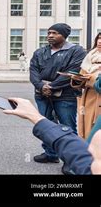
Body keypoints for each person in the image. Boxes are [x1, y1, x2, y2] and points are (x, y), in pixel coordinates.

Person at [29, 23, 86, 174]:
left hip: (65, 96)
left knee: (68, 127)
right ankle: (51, 154)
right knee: (46, 124)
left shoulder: (76, 51)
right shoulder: (40, 52)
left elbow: (73, 71)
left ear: (64, 35)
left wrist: (51, 86)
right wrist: (41, 87)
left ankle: (71, 161)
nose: (50, 36)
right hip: (42, 95)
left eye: (54, 33)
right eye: (48, 33)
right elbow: (33, 71)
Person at [3, 98, 98, 175]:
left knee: (67, 125)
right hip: (42, 93)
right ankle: (51, 154)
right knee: (51, 121)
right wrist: (40, 86)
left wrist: (35, 117)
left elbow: (88, 166)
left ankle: (69, 162)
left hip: (64, 94)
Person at [75, 33, 101, 139]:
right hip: (89, 97)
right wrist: (77, 79)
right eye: (98, 39)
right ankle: (90, 151)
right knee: (88, 125)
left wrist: (92, 78)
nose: (99, 42)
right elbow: (82, 75)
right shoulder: (89, 57)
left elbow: (92, 79)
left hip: (99, 96)